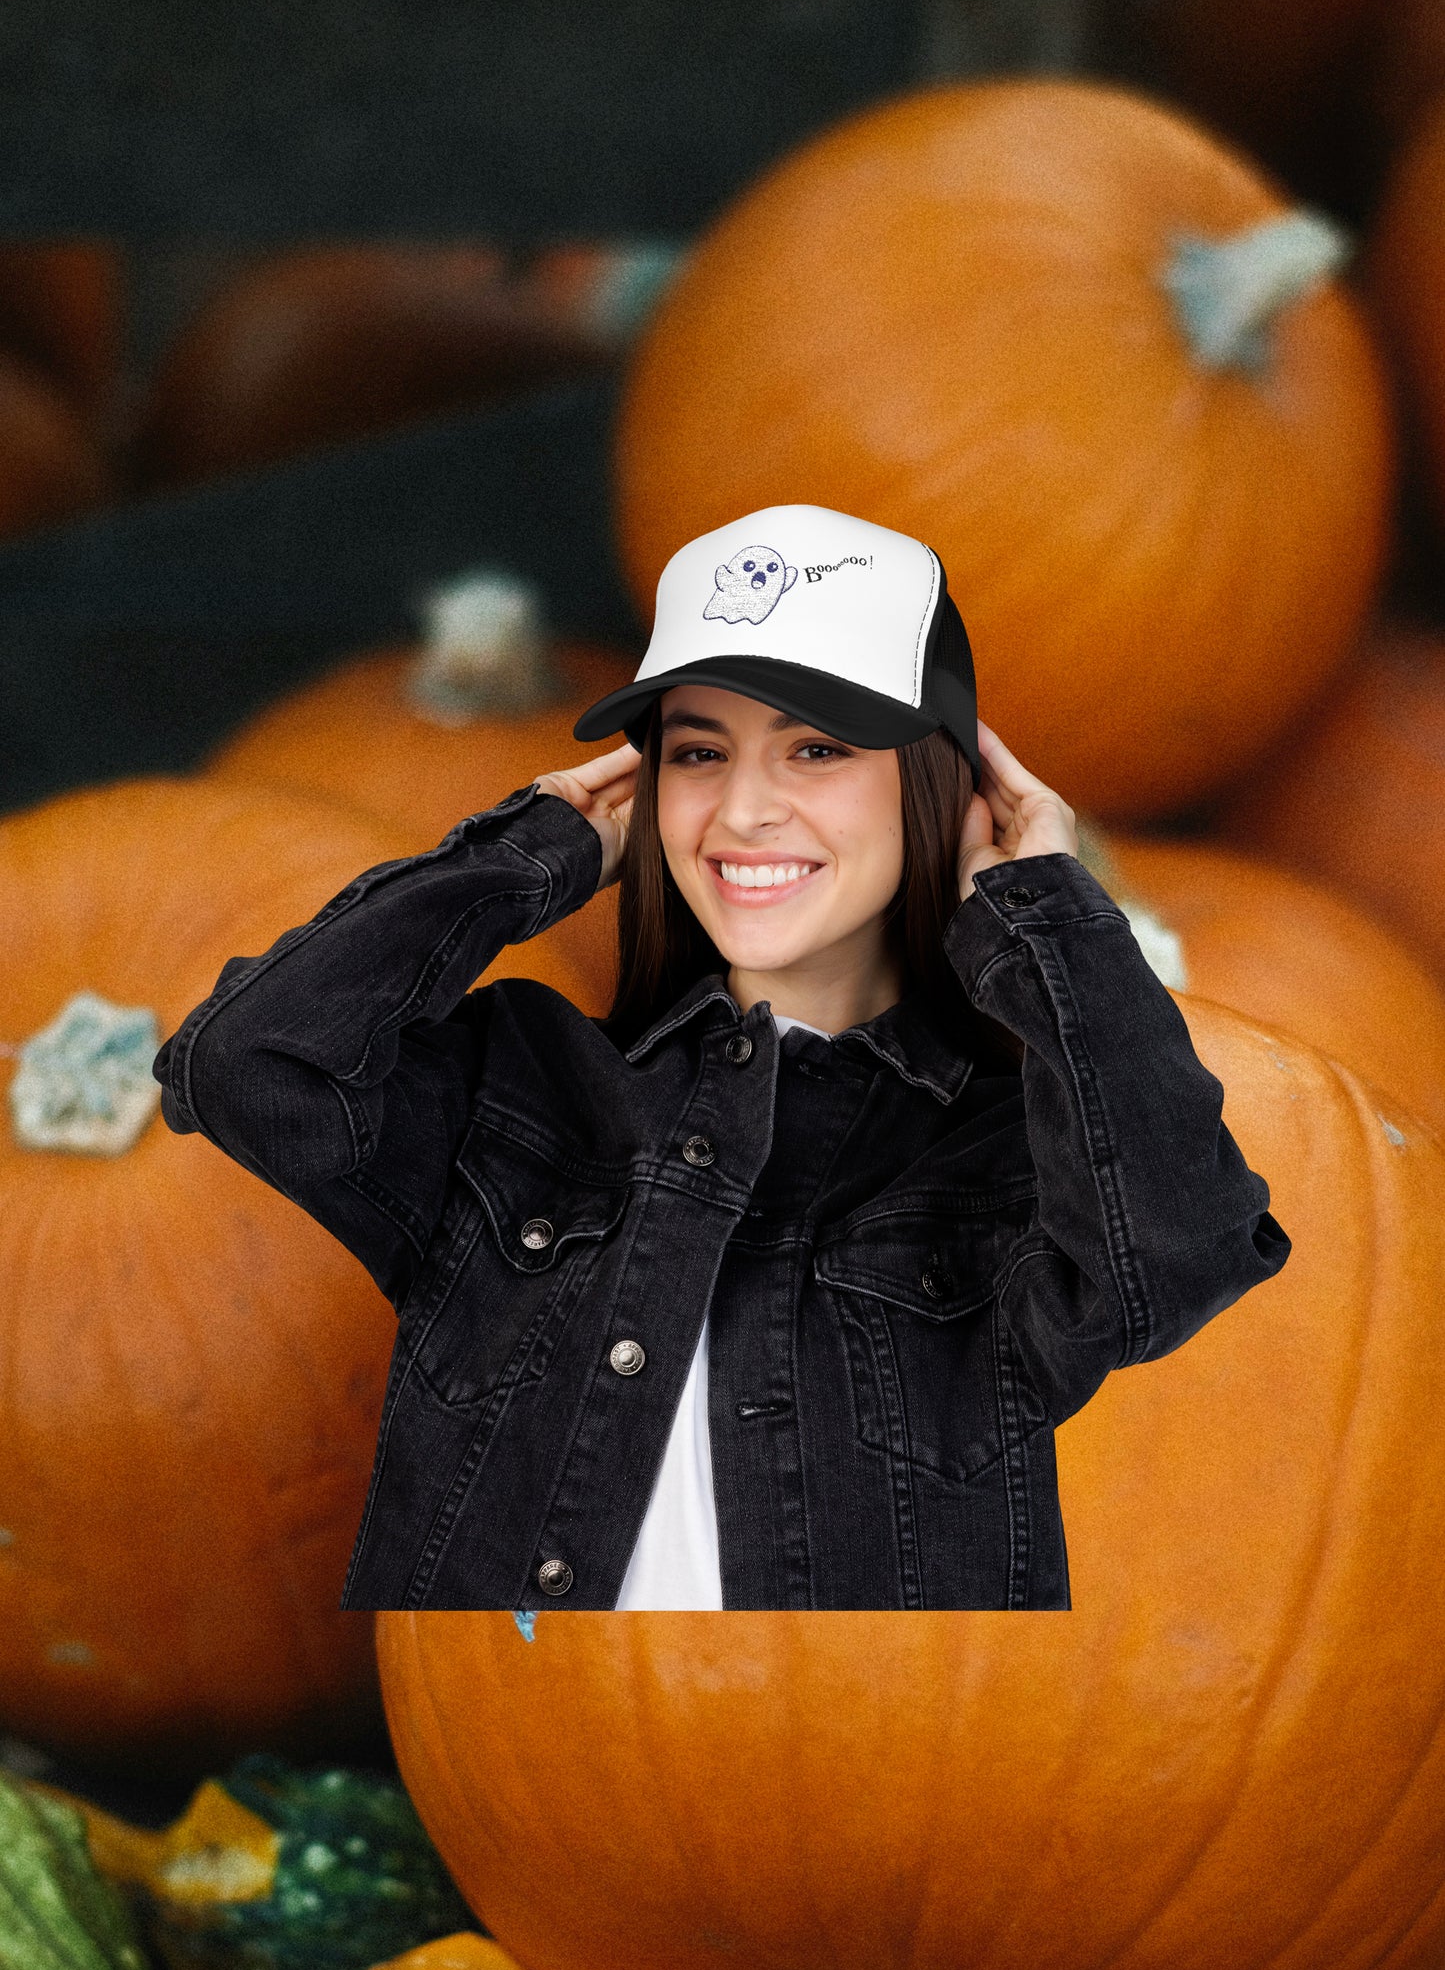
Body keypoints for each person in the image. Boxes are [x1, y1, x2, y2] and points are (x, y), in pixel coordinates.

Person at [153, 502, 1290, 1612]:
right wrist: (534, 851)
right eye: (698, 752)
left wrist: (1039, 910)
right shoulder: (524, 1092)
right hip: (507, 1717)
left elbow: (1176, 1257)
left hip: (861, 1725)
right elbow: (246, 1066)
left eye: (816, 748)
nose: (743, 809)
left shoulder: (1005, 1159)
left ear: (942, 786)